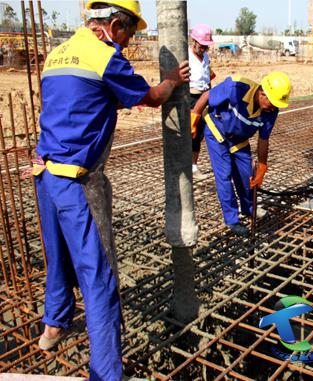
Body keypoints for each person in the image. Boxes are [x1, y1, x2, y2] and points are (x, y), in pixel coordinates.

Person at [32, 1, 189, 380]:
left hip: (45, 175)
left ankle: (53, 325)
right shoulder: (105, 57)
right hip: (77, 184)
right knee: (99, 280)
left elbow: (84, 99)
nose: (127, 43)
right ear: (115, 24)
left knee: (58, 258)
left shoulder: (58, 53)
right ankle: (106, 373)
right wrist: (172, 80)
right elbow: (152, 97)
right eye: (129, 34)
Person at [191, 72, 292, 237]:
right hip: (218, 130)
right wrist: (194, 116)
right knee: (224, 174)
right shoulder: (236, 87)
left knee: (246, 175)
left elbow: (263, 139)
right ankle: (231, 219)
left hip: (239, 137)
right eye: (272, 103)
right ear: (262, 93)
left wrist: (262, 166)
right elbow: (207, 95)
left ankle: (249, 208)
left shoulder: (271, 110)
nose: (273, 107)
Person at [189, 23, 216, 181]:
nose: (204, 49)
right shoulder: (187, 56)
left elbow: (208, 78)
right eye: (202, 45)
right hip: (190, 98)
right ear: (194, 41)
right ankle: (185, 167)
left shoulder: (205, 57)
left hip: (205, 98)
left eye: (206, 46)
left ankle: (193, 166)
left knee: (199, 134)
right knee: (189, 133)